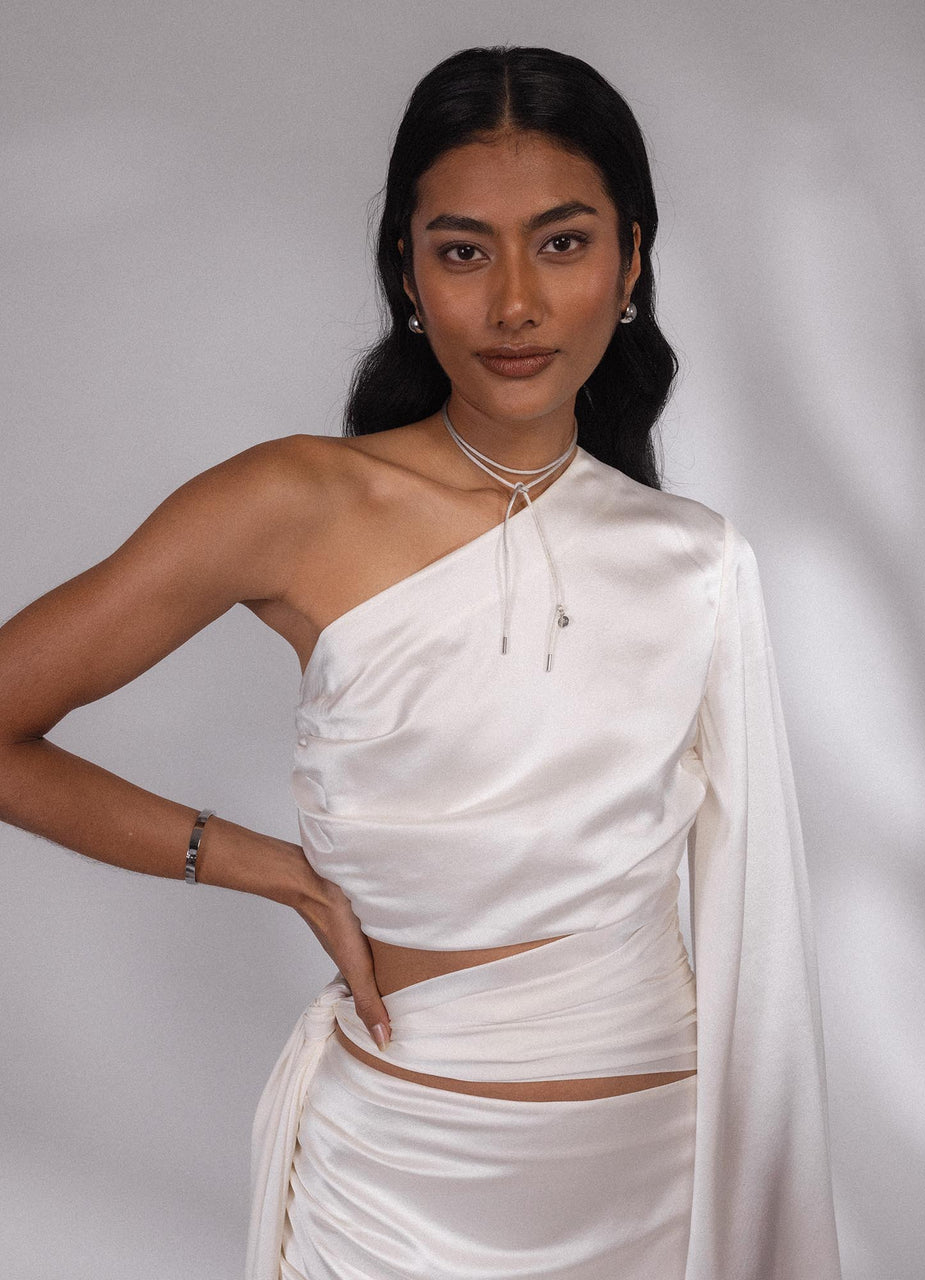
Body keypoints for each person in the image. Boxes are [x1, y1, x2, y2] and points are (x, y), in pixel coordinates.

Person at [0, 43, 843, 1280]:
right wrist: (261, 865)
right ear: (406, 268)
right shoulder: (296, 501)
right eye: (464, 252)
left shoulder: (699, 562)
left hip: (655, 1186)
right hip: (393, 1193)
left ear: (630, 261)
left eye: (562, 243)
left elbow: (756, 952)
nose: (515, 303)